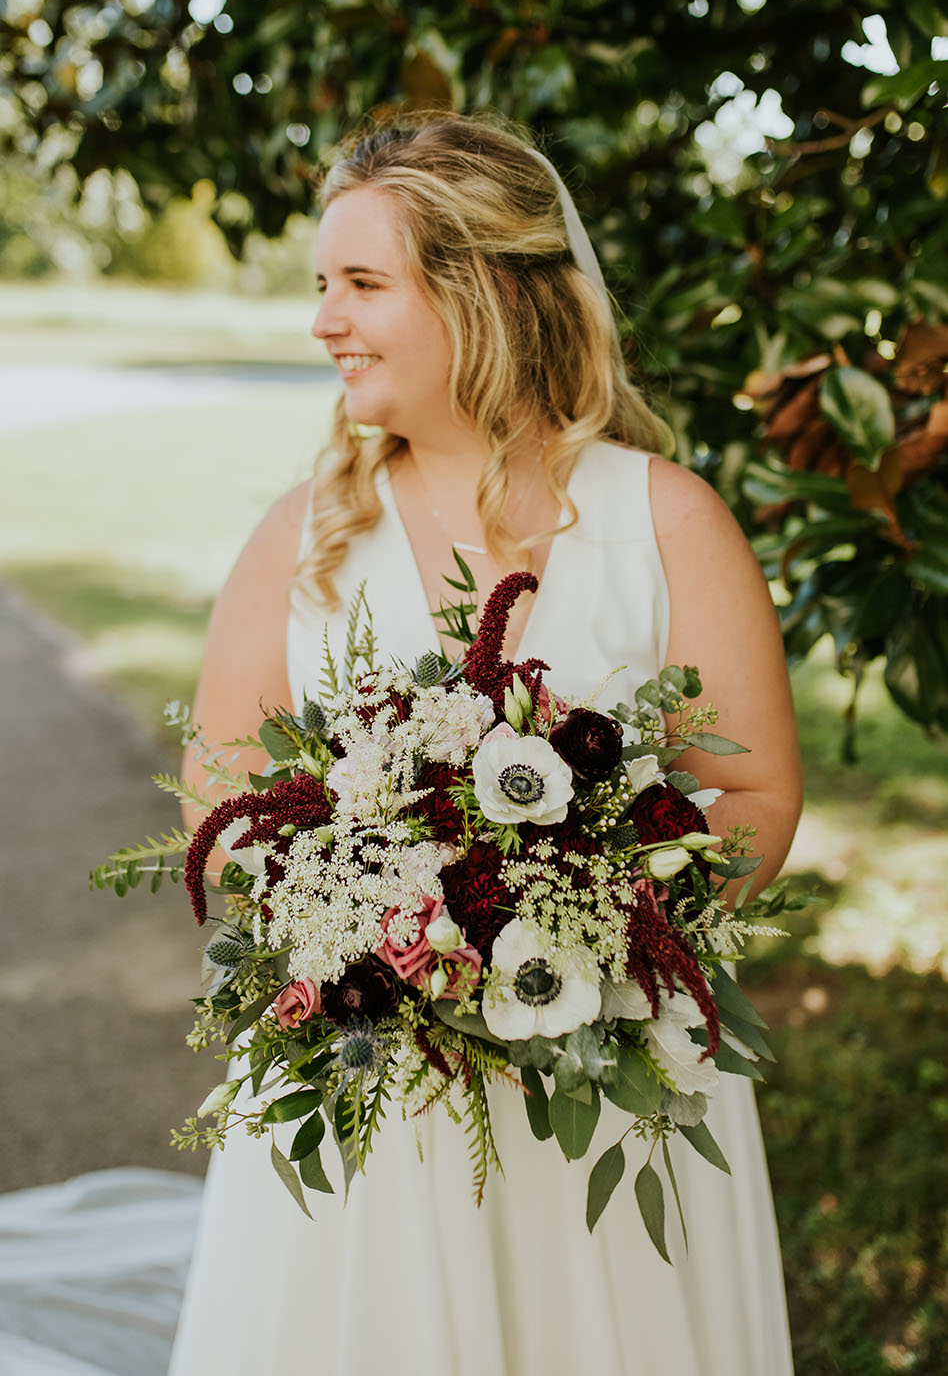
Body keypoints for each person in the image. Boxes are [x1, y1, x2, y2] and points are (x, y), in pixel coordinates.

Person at [170, 114, 802, 1375]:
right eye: (321, 288)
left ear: (485, 294)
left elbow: (756, 789)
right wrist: (356, 936)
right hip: (376, 1090)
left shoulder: (665, 520)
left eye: (362, 285)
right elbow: (217, 777)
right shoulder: (307, 540)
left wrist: (585, 933)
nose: (324, 322)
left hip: (609, 1086)